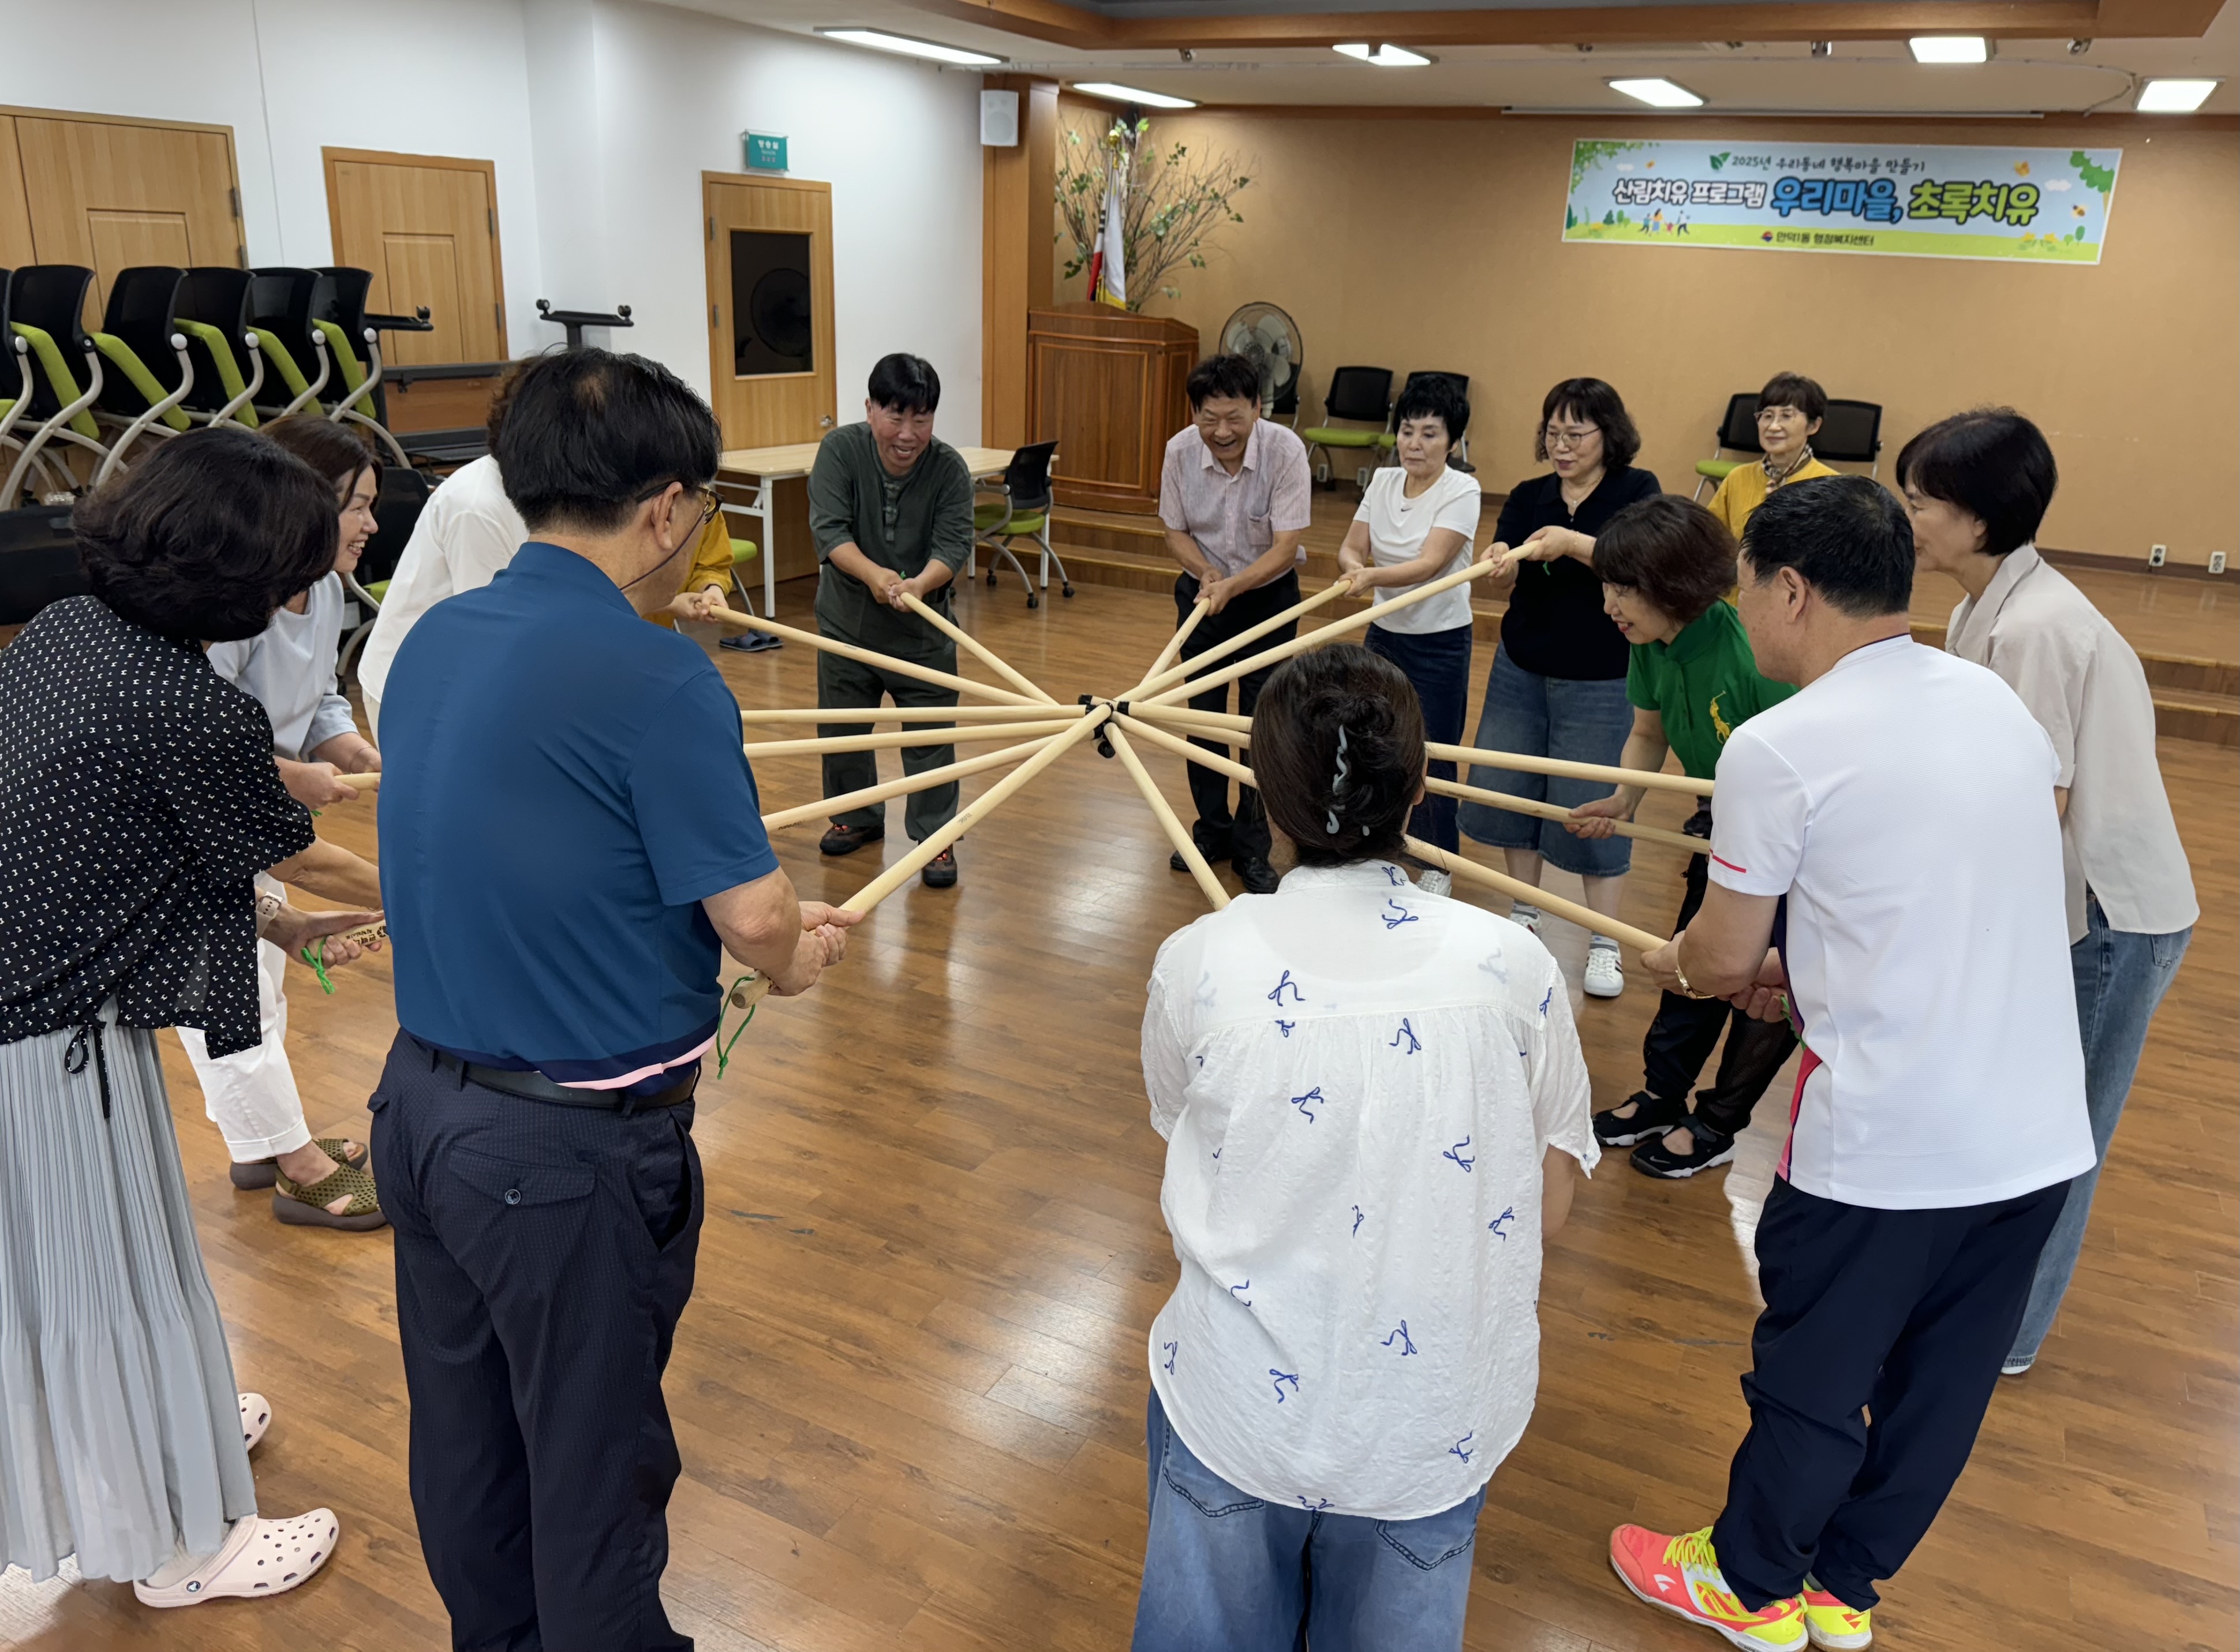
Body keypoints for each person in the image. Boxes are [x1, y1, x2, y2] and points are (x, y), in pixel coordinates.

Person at [371, 348, 857, 1652]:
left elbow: (531, 839)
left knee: (468, 1443)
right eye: (695, 511)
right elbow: (754, 918)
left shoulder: (430, 644)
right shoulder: (659, 683)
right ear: (662, 508)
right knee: (591, 1470)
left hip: (417, 1113)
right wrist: (793, 951)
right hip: (561, 1155)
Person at [1613, 477, 2095, 1651]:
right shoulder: (1991, 704)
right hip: (2034, 1132)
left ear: (1786, 589)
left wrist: (1690, 964)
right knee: (1940, 1386)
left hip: (1884, 1140)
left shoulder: (1777, 747)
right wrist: (1817, 966)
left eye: (1746, 590)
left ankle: (1748, 1584)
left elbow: (1719, 957)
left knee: (1812, 1371)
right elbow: (1946, 884)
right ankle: (1842, 1586)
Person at [1133, 641, 1594, 1652]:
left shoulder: (1199, 961)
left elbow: (1184, 1134)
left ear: (1264, 793)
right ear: (1421, 788)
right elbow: (1549, 1203)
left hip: (1234, 1408)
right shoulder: (1516, 965)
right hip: (1430, 1424)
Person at [0, 429, 383, 1605]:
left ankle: (182, 1429)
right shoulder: (190, 705)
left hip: (42, 1005)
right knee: (98, 1282)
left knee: (125, 1255)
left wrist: (271, 925)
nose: (301, 594)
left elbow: (126, 833)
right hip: (52, 1036)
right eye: (291, 573)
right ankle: (175, 1549)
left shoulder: (66, 629)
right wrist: (457, 883)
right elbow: (304, 859)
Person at [1901, 408, 2196, 1378]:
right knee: (2019, 1110)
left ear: (1978, 520)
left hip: (2111, 914)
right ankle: (1983, 1302)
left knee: (2065, 1129)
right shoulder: (1978, 608)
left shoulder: (2034, 626)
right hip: (2070, 900)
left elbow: (2033, 804)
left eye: (1922, 502)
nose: (1908, 517)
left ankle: (2011, 1332)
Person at [181, 414, 390, 1230]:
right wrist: (294, 774)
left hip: (250, 803)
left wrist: (349, 747)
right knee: (231, 992)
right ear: (299, 502)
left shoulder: (328, 587)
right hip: (203, 810)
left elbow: (321, 694)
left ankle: (258, 1137)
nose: (372, 523)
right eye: (358, 505)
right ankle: (295, 1163)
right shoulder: (234, 602)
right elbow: (199, 740)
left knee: (258, 979)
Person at [1568, 496, 1798, 1179]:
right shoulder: (1650, 645)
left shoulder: (1752, 657)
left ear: (1674, 587)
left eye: (1625, 589)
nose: (1610, 603)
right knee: (1691, 970)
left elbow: (1799, 780)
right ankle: (1661, 1097)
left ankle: (1718, 1123)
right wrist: (1624, 797)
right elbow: (1648, 732)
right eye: (1607, 586)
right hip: (1720, 829)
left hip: (1787, 847)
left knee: (1762, 990)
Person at [357, 368, 736, 738]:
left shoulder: (562, 492)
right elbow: (499, 634)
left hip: (489, 676)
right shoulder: (478, 505)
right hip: (429, 689)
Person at [1463, 378, 1661, 999]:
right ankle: (1525, 911)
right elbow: (1503, 578)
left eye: (1576, 434)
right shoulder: (1528, 495)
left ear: (1608, 435)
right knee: (1511, 788)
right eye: (1552, 433)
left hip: (1603, 673)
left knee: (1596, 805)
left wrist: (1573, 543)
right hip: (1521, 665)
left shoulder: (1637, 491)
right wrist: (1502, 561)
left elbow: (1642, 564)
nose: (1562, 445)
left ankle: (1603, 940)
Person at [809, 353, 977, 889]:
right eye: (895, 417)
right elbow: (831, 532)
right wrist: (876, 576)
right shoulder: (840, 450)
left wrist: (918, 585)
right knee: (842, 728)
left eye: (921, 420)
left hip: (922, 633)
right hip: (846, 625)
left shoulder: (948, 469)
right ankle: (854, 817)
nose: (908, 434)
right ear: (870, 408)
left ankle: (934, 837)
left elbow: (954, 543)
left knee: (931, 737)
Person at [1156, 353, 1314, 895]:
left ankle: (1254, 846)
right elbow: (1173, 530)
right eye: (1208, 418)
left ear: (1257, 408)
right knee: (1202, 717)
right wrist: (1204, 573)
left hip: (1266, 597)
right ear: (1194, 412)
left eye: (1234, 418)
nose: (1220, 432)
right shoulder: (1179, 451)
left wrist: (1232, 584)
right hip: (1202, 595)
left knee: (1259, 723)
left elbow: (1286, 546)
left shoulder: (1285, 451)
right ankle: (1211, 830)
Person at [1335, 372, 1483, 894]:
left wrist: (1370, 575)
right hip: (1383, 635)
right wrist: (1356, 565)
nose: (1414, 444)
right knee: (1377, 744)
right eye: (1407, 431)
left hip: (1439, 642)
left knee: (1434, 753)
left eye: (1429, 434)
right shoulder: (1380, 482)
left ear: (1452, 441)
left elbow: (1431, 564)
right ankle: (1380, 848)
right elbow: (1351, 546)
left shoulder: (1462, 488)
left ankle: (1439, 864)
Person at [1705, 372, 1838, 541]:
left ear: (1813, 425)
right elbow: (1711, 541)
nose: (1774, 426)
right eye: (1767, 416)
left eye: (1786, 416)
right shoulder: (1737, 478)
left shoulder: (1832, 487)